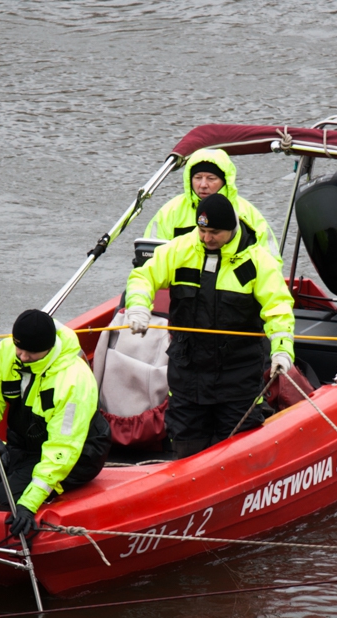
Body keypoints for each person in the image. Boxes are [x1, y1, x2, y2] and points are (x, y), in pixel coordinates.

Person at [124, 193, 295, 458]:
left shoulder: (257, 262)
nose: (206, 238)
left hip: (238, 378)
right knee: (185, 446)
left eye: (214, 232)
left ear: (231, 229)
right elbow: (143, 277)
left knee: (238, 452)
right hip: (187, 374)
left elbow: (279, 309)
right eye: (202, 231)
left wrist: (282, 350)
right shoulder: (180, 250)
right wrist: (138, 305)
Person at [0, 309, 111, 537]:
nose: (23, 357)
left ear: (49, 347)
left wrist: (30, 503)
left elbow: (63, 447)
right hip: (25, 446)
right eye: (19, 348)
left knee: (2, 502)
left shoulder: (73, 380)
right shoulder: (5, 353)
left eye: (32, 352)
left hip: (79, 454)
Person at [144, 148, 280, 263]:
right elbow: (148, 257)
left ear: (225, 181)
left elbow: (271, 261)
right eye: (198, 178)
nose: (203, 185)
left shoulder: (247, 214)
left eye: (211, 178)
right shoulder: (170, 212)